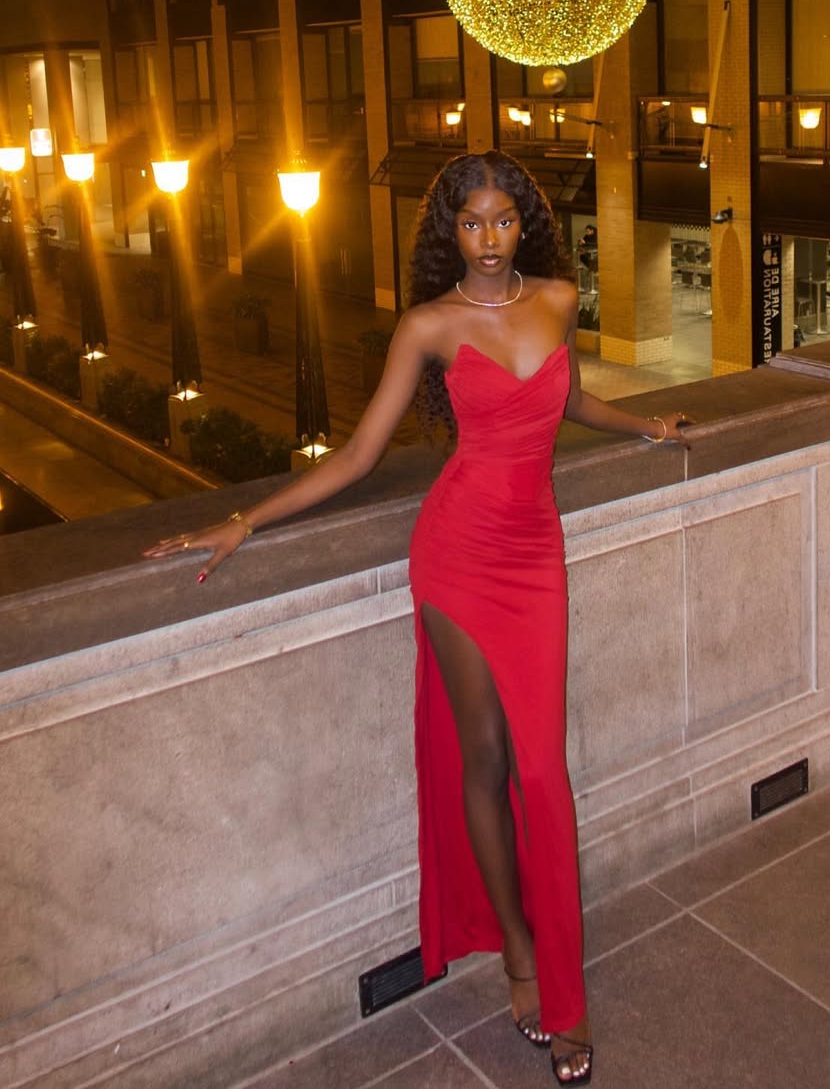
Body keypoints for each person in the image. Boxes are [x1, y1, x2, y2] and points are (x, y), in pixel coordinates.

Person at [143, 150, 693, 1086]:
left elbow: (570, 398)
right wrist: (245, 518)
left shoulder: (559, 299)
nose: (487, 239)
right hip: (456, 554)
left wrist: (649, 426)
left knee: (544, 776)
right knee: (484, 759)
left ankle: (563, 986)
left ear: (527, 223)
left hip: (535, 556)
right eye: (469, 224)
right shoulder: (429, 326)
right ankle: (523, 954)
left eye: (502, 220)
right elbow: (360, 454)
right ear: (450, 232)